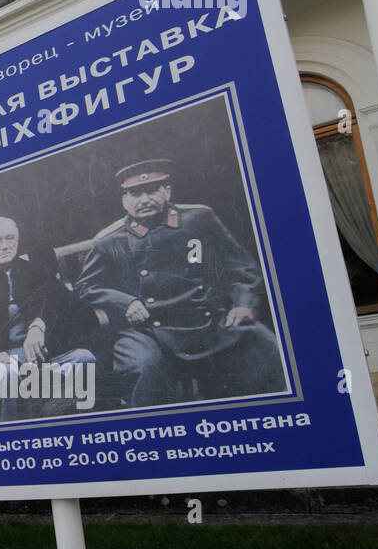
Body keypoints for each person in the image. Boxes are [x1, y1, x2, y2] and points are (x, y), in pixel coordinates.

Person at [75, 159, 286, 407]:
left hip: (206, 319)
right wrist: (126, 302)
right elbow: (86, 286)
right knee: (143, 365)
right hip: (146, 329)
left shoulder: (199, 218)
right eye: (135, 193)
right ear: (124, 200)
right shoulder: (109, 240)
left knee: (262, 344)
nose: (144, 199)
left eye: (152, 190)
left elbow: (240, 267)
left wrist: (242, 304)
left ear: (167, 191)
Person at [0, 217, 96, 423]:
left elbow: (70, 306)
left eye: (10, 238)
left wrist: (40, 324)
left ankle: (45, 414)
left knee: (84, 359)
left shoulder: (35, 272)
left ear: (17, 241)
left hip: (42, 359)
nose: (5, 246)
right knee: (7, 373)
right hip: (2, 365)